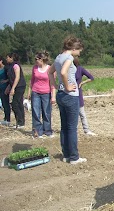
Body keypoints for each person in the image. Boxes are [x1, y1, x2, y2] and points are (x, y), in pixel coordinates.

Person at [48, 36, 87, 165]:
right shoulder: (69, 58)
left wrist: (56, 86)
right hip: (70, 96)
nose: (80, 53)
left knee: (64, 126)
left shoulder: (58, 57)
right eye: (79, 50)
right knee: (72, 128)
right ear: (74, 48)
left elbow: (49, 72)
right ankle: (74, 157)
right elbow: (64, 72)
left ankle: (66, 155)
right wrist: (67, 86)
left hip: (60, 95)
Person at [27, 51, 55, 138]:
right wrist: (29, 91)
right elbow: (32, 80)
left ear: (42, 60)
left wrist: (53, 96)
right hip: (35, 92)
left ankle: (47, 130)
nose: (36, 61)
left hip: (46, 93)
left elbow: (52, 83)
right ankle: (37, 131)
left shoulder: (50, 69)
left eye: (37, 59)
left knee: (46, 112)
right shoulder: (35, 68)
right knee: (35, 112)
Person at [74, 57, 96, 136]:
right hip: (70, 93)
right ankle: (73, 130)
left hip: (78, 93)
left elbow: (91, 77)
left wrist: (82, 83)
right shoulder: (68, 70)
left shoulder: (80, 69)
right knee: (73, 114)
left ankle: (86, 130)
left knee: (82, 113)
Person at [5, 53, 26, 129]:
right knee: (19, 104)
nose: (6, 59)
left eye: (7, 57)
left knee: (15, 104)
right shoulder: (10, 66)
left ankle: (20, 122)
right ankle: (21, 123)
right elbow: (11, 79)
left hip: (19, 86)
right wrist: (8, 87)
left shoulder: (16, 66)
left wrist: (13, 88)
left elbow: (17, 77)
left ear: (12, 58)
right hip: (15, 86)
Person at [0, 56, 11, 126]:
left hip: (4, 88)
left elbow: (10, 77)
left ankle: (7, 119)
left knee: (5, 104)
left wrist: (6, 81)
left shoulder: (5, 68)